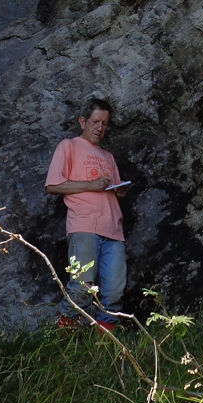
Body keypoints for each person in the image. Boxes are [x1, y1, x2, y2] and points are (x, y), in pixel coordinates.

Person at [44, 98, 128, 322]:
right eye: (95, 122)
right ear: (82, 121)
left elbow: (110, 188)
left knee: (114, 294)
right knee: (82, 287)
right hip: (84, 227)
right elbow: (52, 186)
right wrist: (91, 185)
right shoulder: (68, 146)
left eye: (104, 123)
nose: (100, 128)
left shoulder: (108, 157)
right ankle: (61, 338)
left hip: (114, 230)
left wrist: (119, 191)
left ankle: (104, 342)